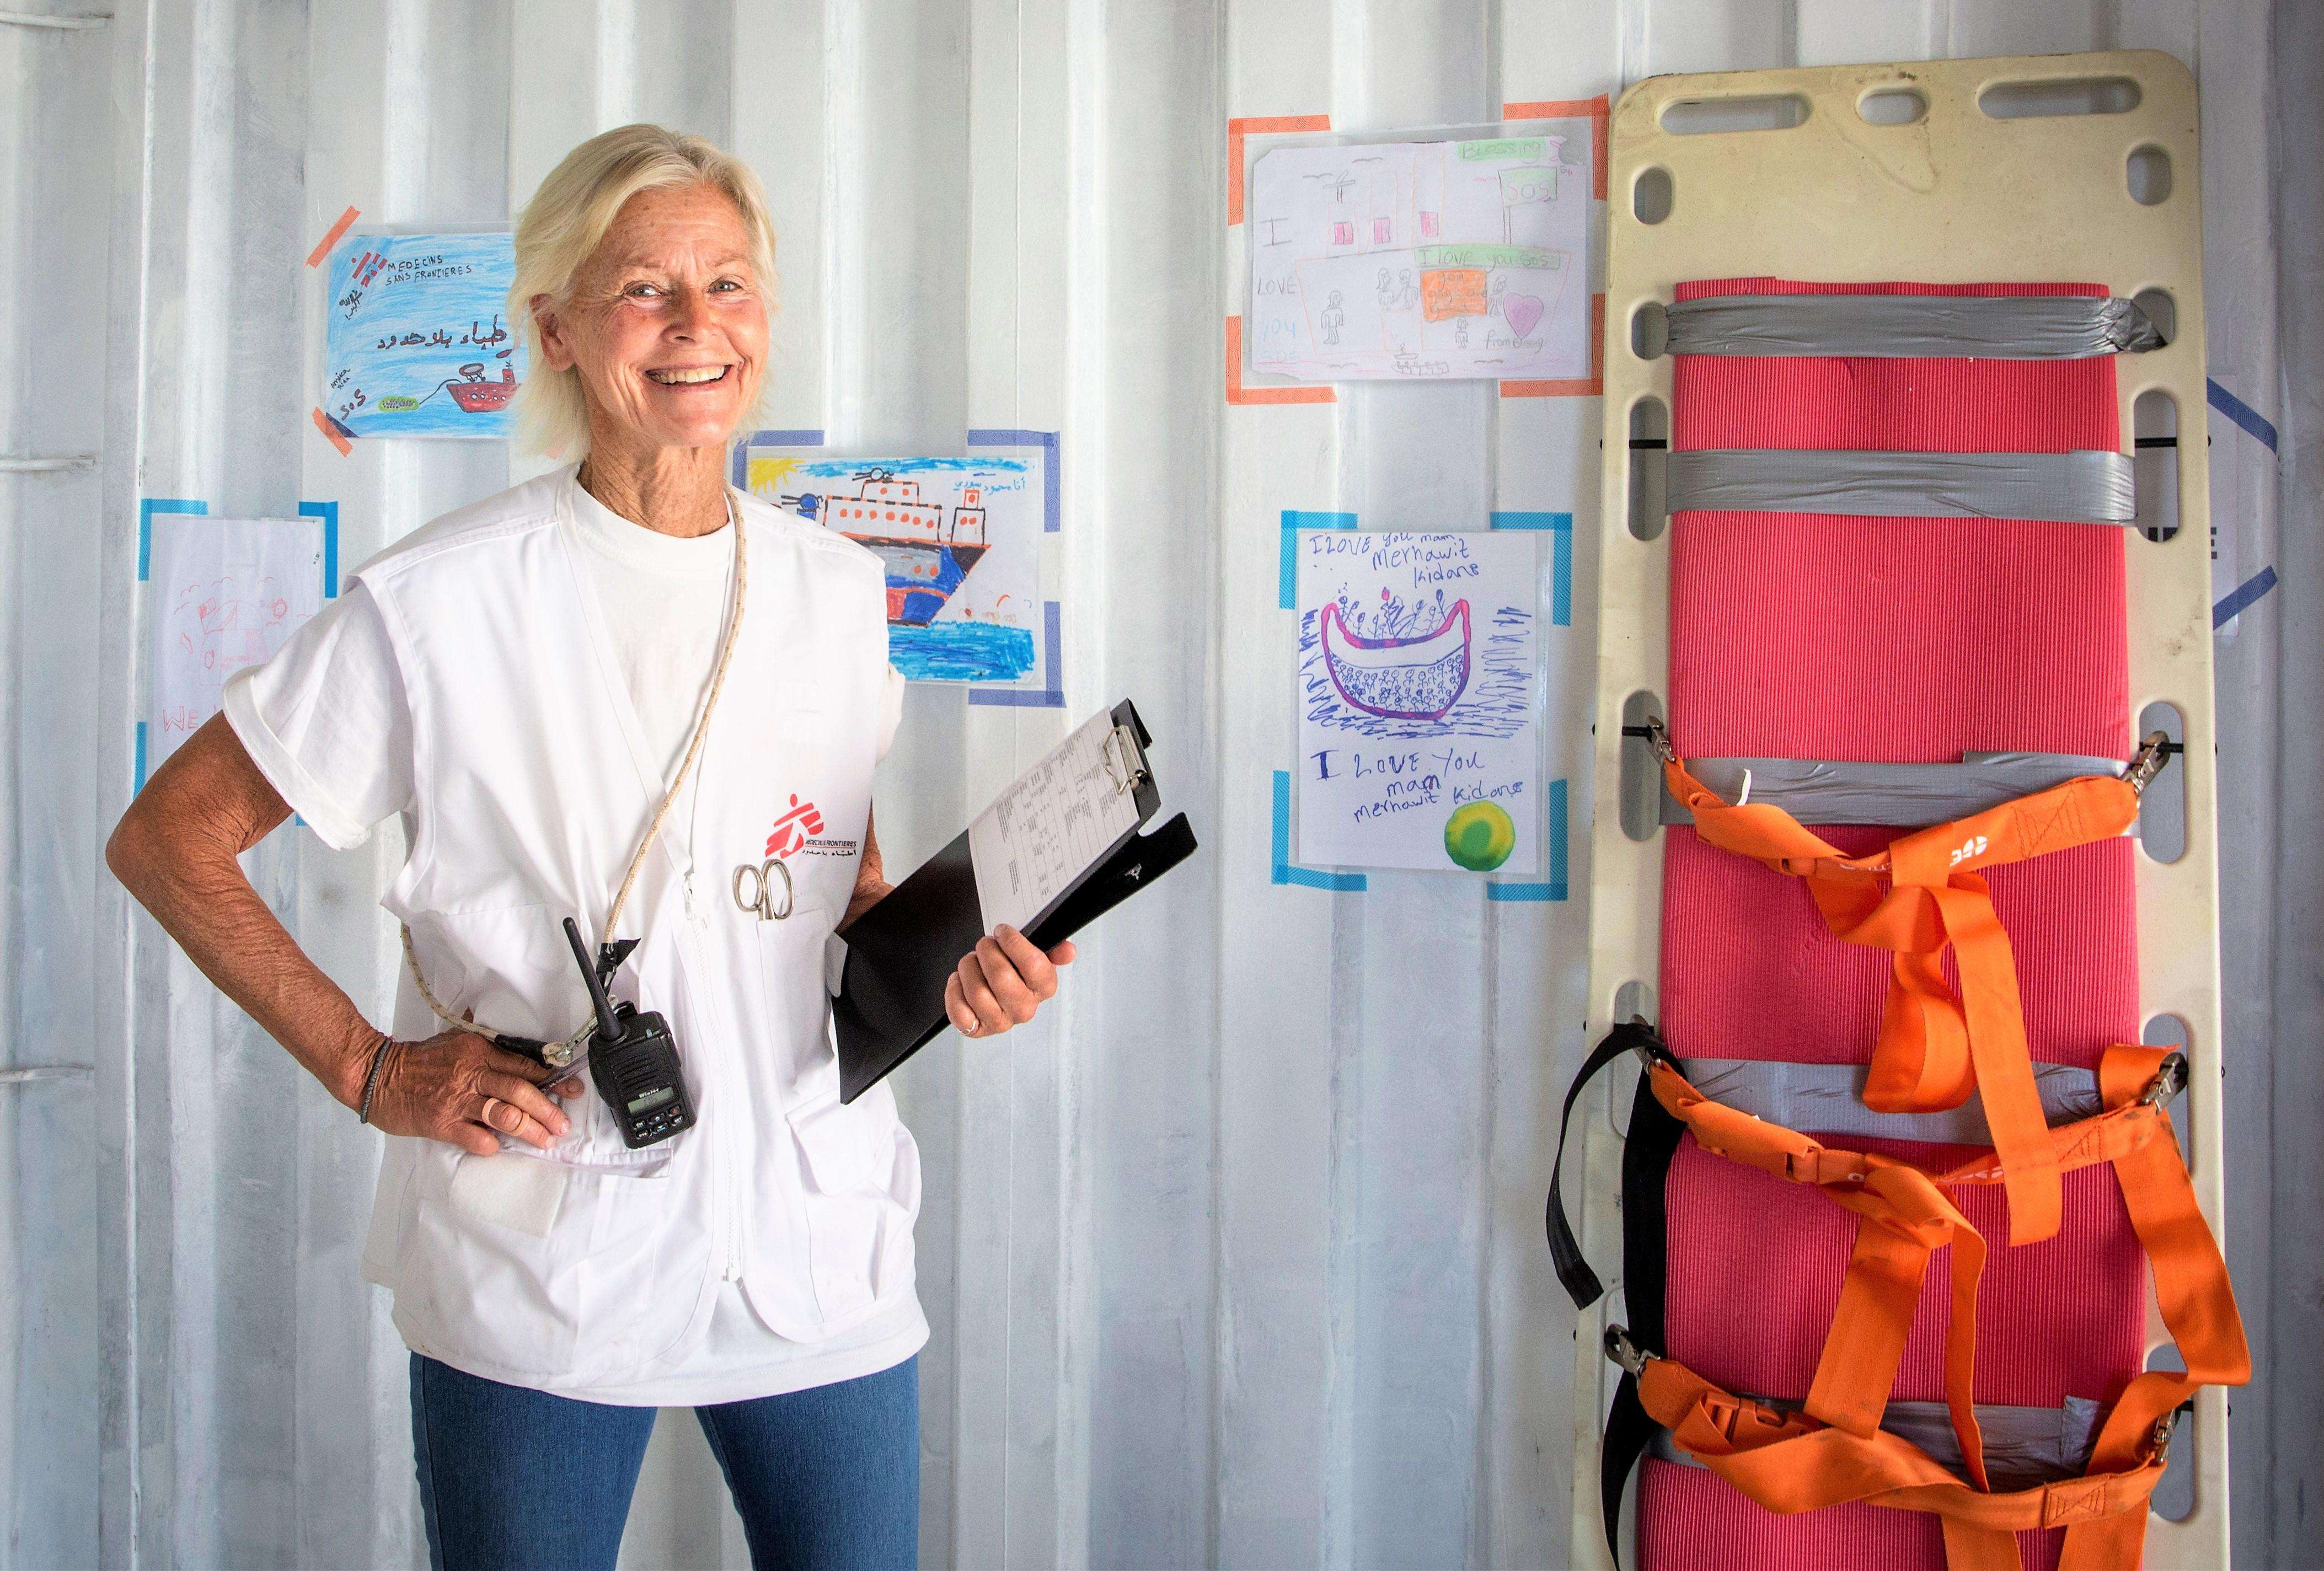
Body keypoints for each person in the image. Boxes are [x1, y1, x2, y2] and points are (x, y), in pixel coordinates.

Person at [105, 123, 1072, 1571]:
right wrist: (372, 1070)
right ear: (555, 325)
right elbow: (170, 837)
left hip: (817, 1239)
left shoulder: (833, 590)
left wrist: (955, 974)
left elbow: (836, 890)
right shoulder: (438, 604)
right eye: (645, 289)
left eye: (730, 284)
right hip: (543, 1252)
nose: (697, 327)